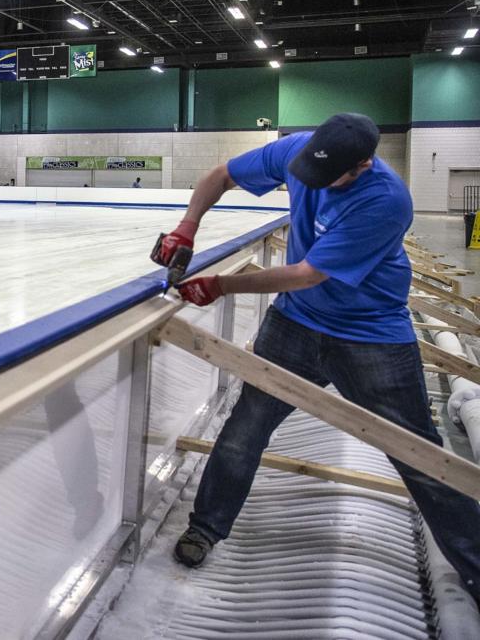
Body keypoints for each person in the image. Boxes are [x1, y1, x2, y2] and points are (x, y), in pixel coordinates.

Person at [154, 112, 480, 604]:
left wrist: (221, 285)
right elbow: (220, 175)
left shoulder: (386, 201)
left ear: (363, 165)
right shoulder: (299, 151)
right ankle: (205, 528)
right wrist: (186, 228)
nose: (314, 184)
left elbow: (307, 273)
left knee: (418, 454)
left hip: (371, 336)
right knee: (246, 429)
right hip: (295, 326)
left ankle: (475, 565)